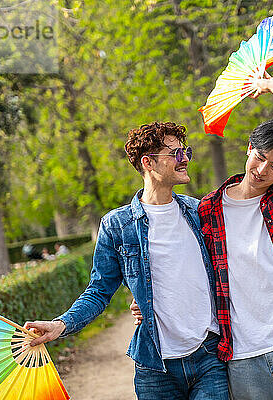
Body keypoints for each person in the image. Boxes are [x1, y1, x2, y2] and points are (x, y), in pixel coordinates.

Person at [130, 73, 273, 399]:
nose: (261, 170)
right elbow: (178, 263)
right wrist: (145, 298)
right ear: (249, 147)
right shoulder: (207, 210)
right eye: (260, 157)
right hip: (241, 359)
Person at [24, 122, 228, 400]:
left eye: (185, 152)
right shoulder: (118, 225)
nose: (185, 159)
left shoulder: (199, 213)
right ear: (148, 162)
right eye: (176, 153)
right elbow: (98, 291)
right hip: (155, 366)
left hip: (209, 356)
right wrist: (62, 324)